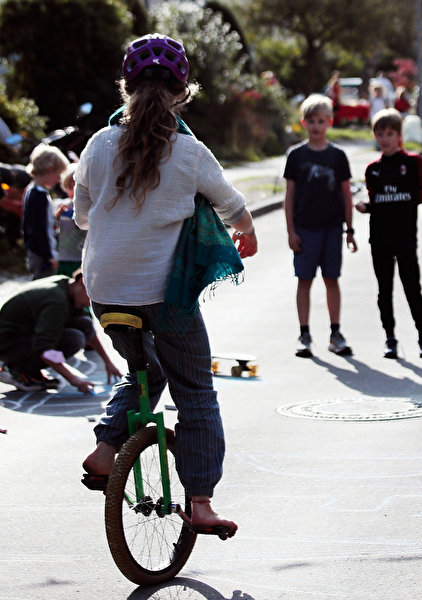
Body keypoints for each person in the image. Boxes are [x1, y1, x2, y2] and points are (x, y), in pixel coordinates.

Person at [76, 33, 257, 537]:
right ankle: (200, 501)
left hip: (105, 291)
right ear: (182, 91)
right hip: (165, 297)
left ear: (125, 88)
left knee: (143, 372)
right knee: (196, 388)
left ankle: (106, 447)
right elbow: (233, 206)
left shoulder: (97, 145)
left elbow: (83, 218)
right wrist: (250, 234)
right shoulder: (189, 152)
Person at [355, 108, 422, 360]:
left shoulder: (412, 163)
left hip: (406, 237)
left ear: (399, 135)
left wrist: (410, 196)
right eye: (380, 134)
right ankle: (390, 338)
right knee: (384, 290)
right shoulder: (373, 169)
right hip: (380, 239)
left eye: (389, 133)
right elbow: (375, 201)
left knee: (412, 288)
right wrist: (366, 207)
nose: (384, 138)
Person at [283, 94, 357, 358]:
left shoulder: (338, 156)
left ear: (330, 122)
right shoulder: (296, 156)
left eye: (321, 121)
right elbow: (289, 196)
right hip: (305, 230)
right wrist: (291, 231)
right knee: (304, 281)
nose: (316, 126)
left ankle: (335, 333)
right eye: (311, 121)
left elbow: (346, 194)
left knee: (331, 280)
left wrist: (350, 230)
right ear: (304, 122)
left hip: (332, 229)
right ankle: (304, 334)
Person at [0, 270, 122, 392]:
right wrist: (74, 380)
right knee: (74, 339)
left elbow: (88, 330)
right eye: (93, 296)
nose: (91, 303)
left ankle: (24, 367)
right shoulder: (57, 301)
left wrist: (108, 363)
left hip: (23, 333)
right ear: (81, 281)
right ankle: (17, 369)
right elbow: (45, 349)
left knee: (84, 322)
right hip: (8, 345)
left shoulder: (66, 285)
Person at [22, 144, 69, 279]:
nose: (58, 179)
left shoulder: (31, 190)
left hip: (35, 252)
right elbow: (40, 230)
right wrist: (49, 256)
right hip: (43, 256)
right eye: (58, 174)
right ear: (50, 169)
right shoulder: (40, 196)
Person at [54, 163, 86, 276]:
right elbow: (54, 229)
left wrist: (77, 219)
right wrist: (57, 217)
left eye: (76, 187)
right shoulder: (63, 205)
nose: (73, 191)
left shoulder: (86, 206)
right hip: (63, 256)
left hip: (79, 257)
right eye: (69, 187)